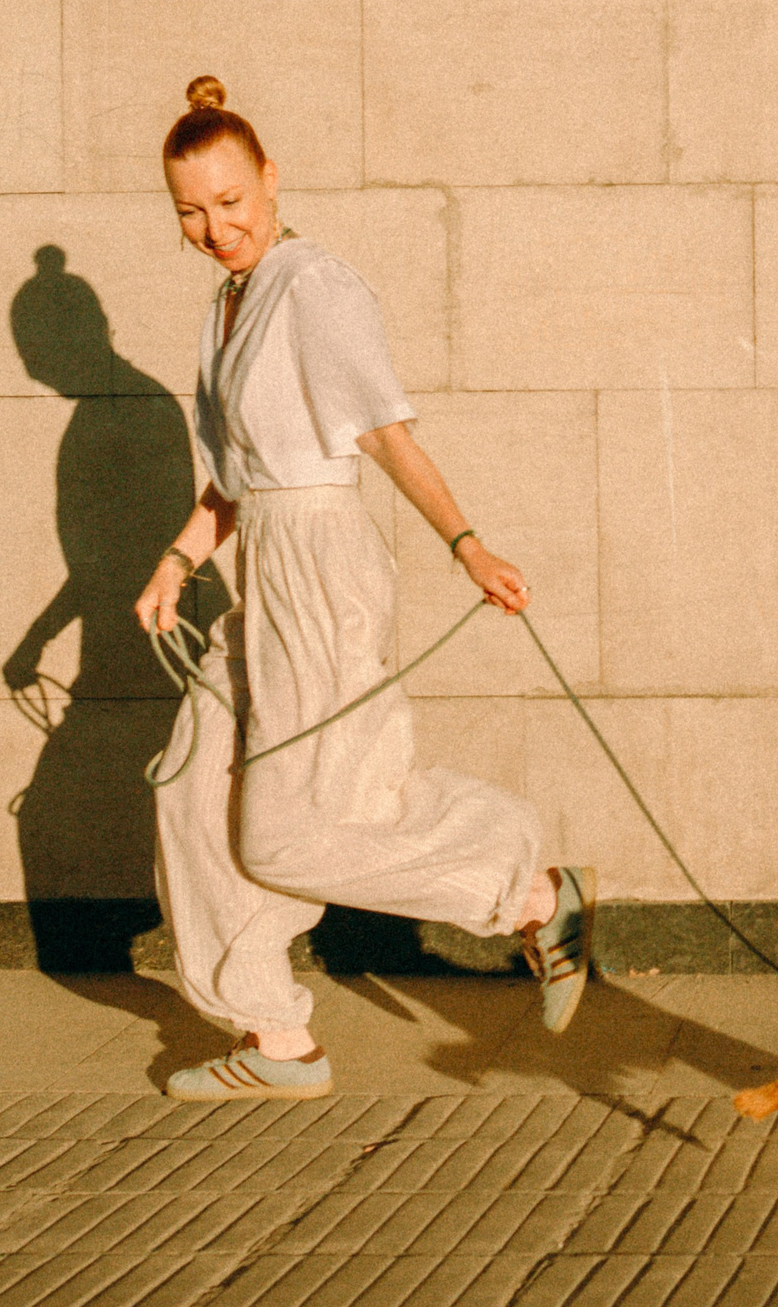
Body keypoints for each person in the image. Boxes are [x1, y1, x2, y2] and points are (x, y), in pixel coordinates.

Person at [134, 76, 586, 1102]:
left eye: (231, 202)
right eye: (191, 211)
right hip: (265, 561)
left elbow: (382, 430)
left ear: (272, 181)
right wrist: (177, 560)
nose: (214, 227)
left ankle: (528, 892)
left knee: (298, 824)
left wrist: (466, 543)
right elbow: (241, 476)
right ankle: (274, 1035)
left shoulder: (315, 286)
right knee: (192, 786)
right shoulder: (226, 304)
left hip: (323, 568)